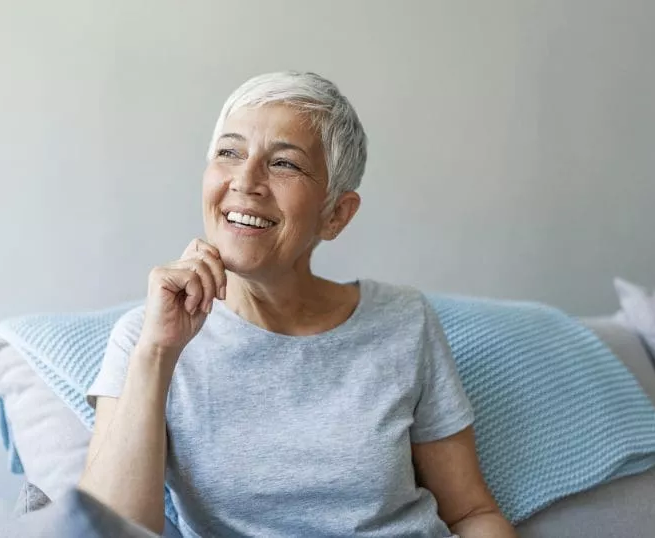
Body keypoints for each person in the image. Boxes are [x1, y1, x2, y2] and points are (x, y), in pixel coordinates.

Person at [79, 71, 516, 538]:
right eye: (229, 152)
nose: (246, 181)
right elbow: (110, 531)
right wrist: (157, 353)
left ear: (335, 215)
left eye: (284, 164)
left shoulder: (404, 319)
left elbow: (471, 514)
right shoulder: (144, 338)